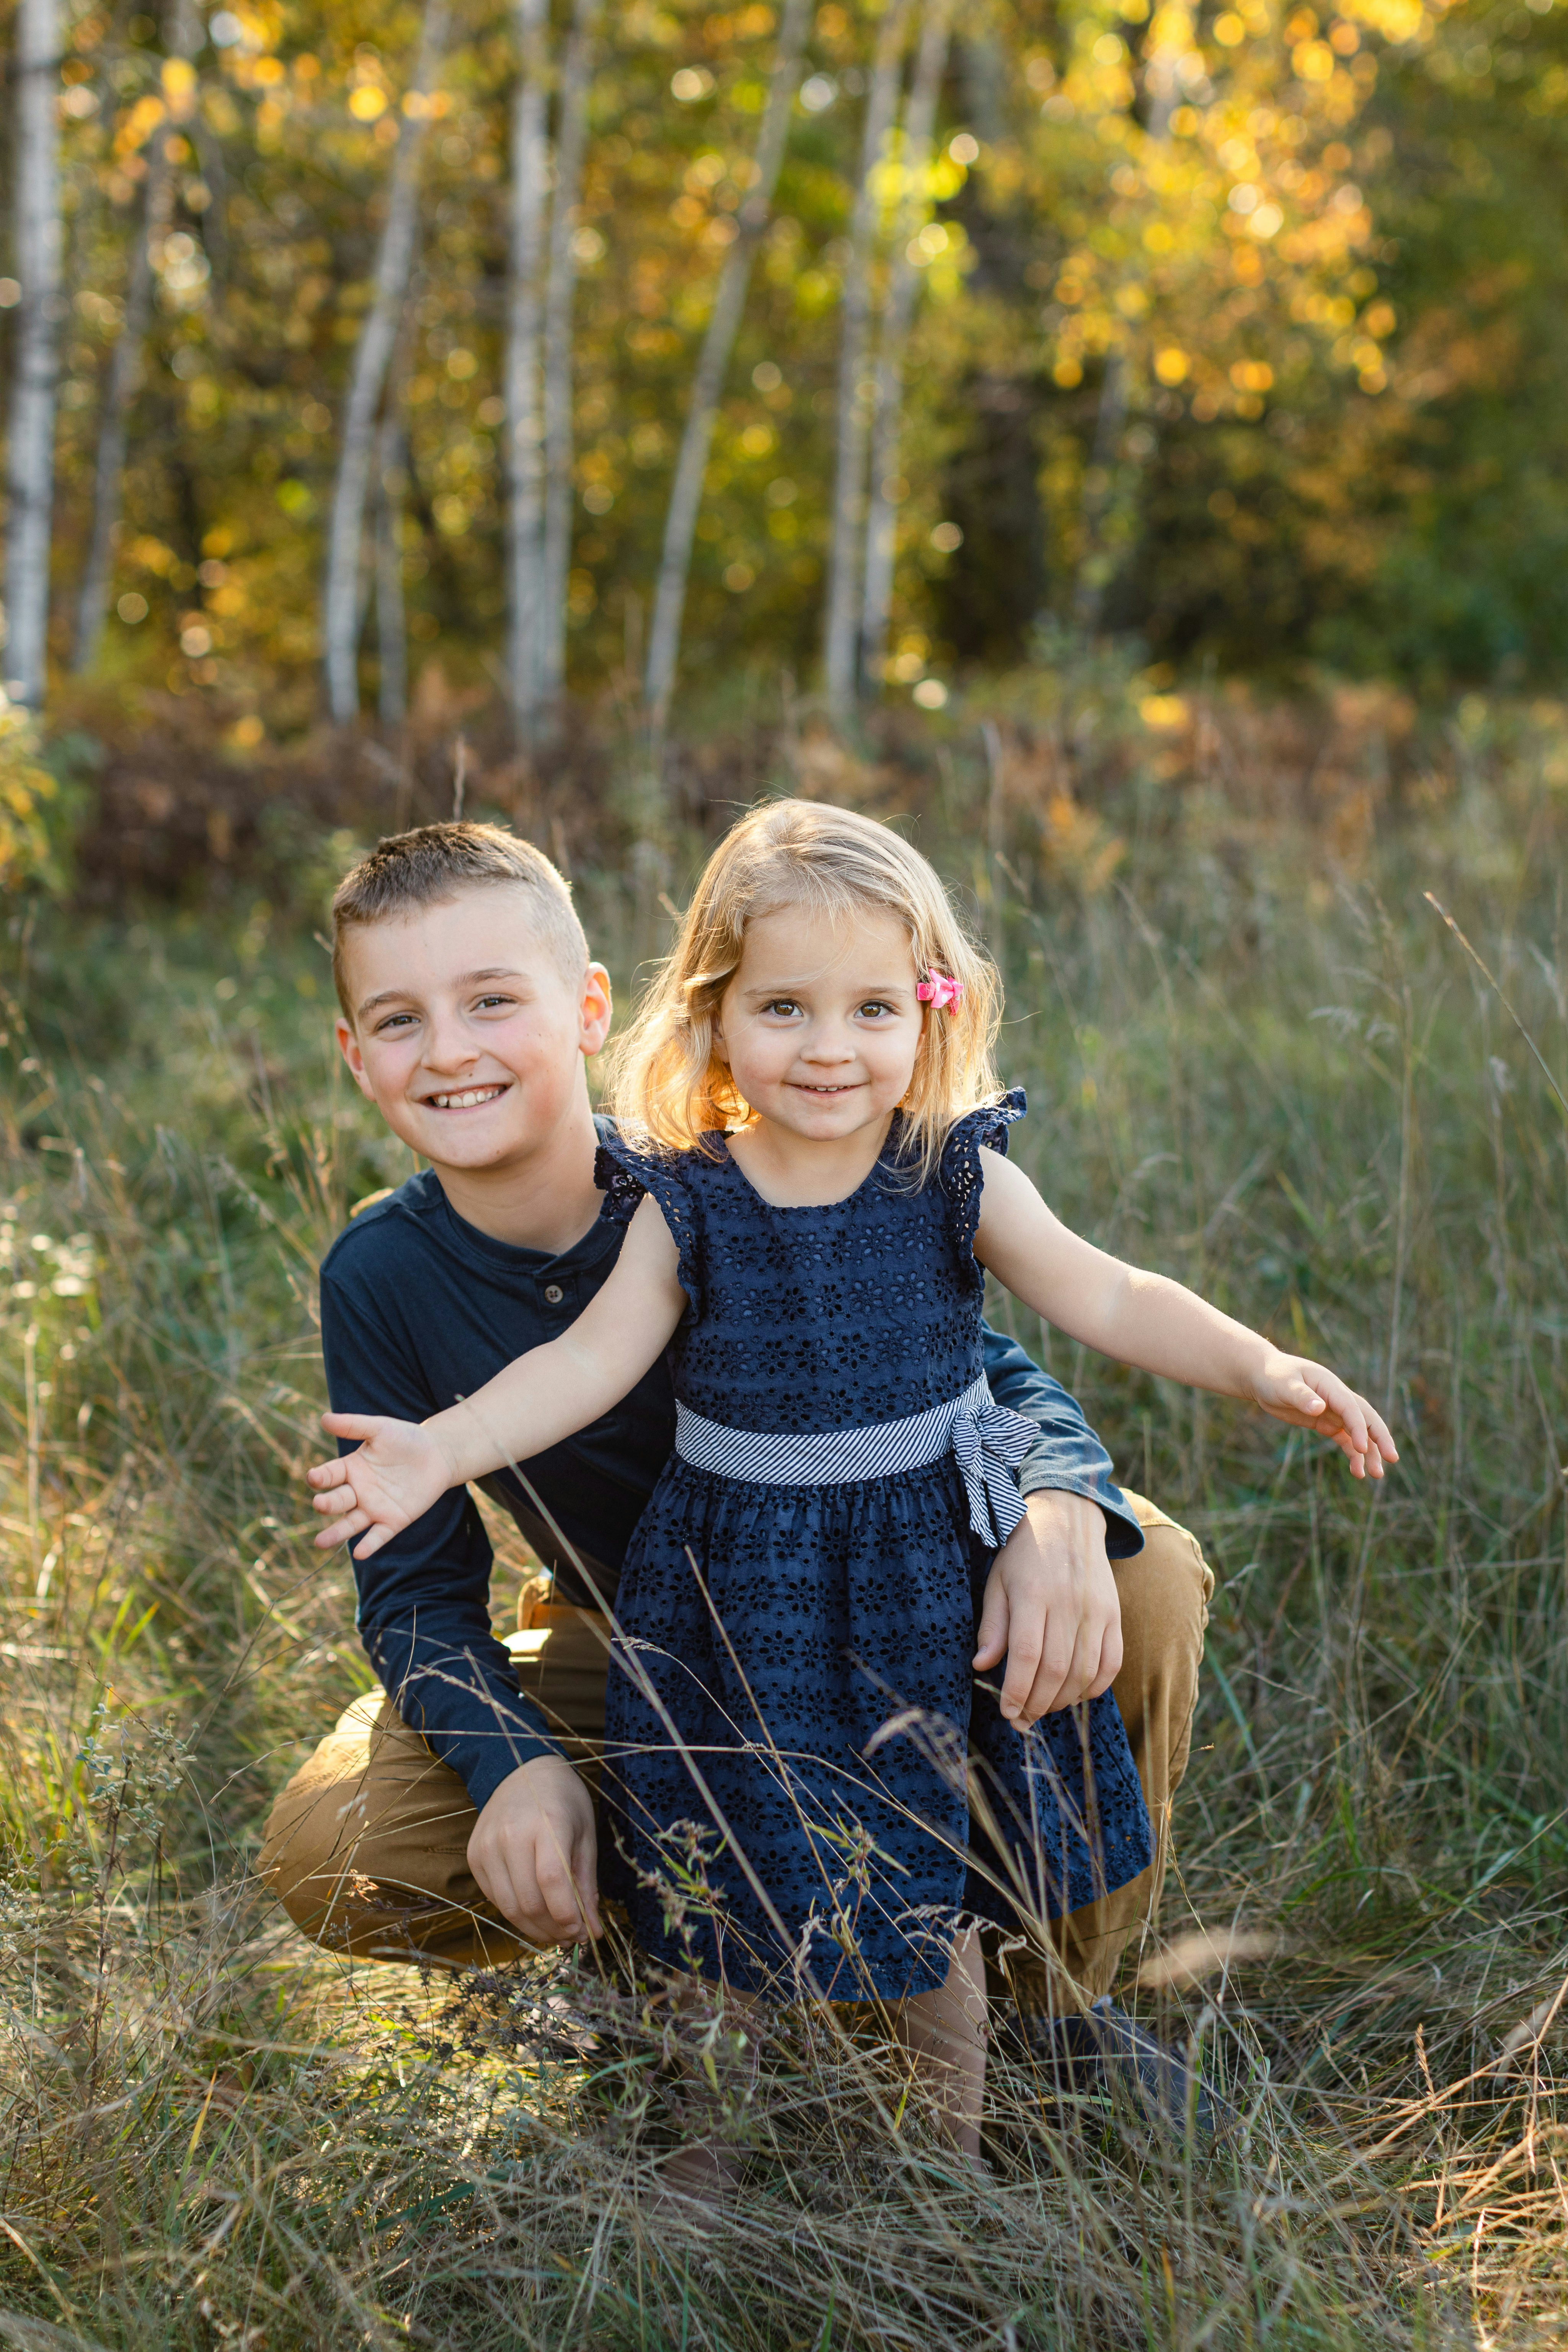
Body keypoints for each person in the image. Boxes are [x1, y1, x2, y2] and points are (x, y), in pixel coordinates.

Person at [302, 801, 1396, 2177]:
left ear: (585, 1008)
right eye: (400, 1020)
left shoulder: (895, 1171)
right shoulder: (639, 1212)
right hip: (687, 1628)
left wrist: (1224, 1387)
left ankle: (1047, 2024)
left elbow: (1043, 1323)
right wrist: (444, 1460)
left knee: (1130, 1592)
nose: (450, 1049)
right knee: (487, 1857)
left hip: (898, 1586)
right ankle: (687, 2039)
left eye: (490, 1000)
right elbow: (563, 1390)